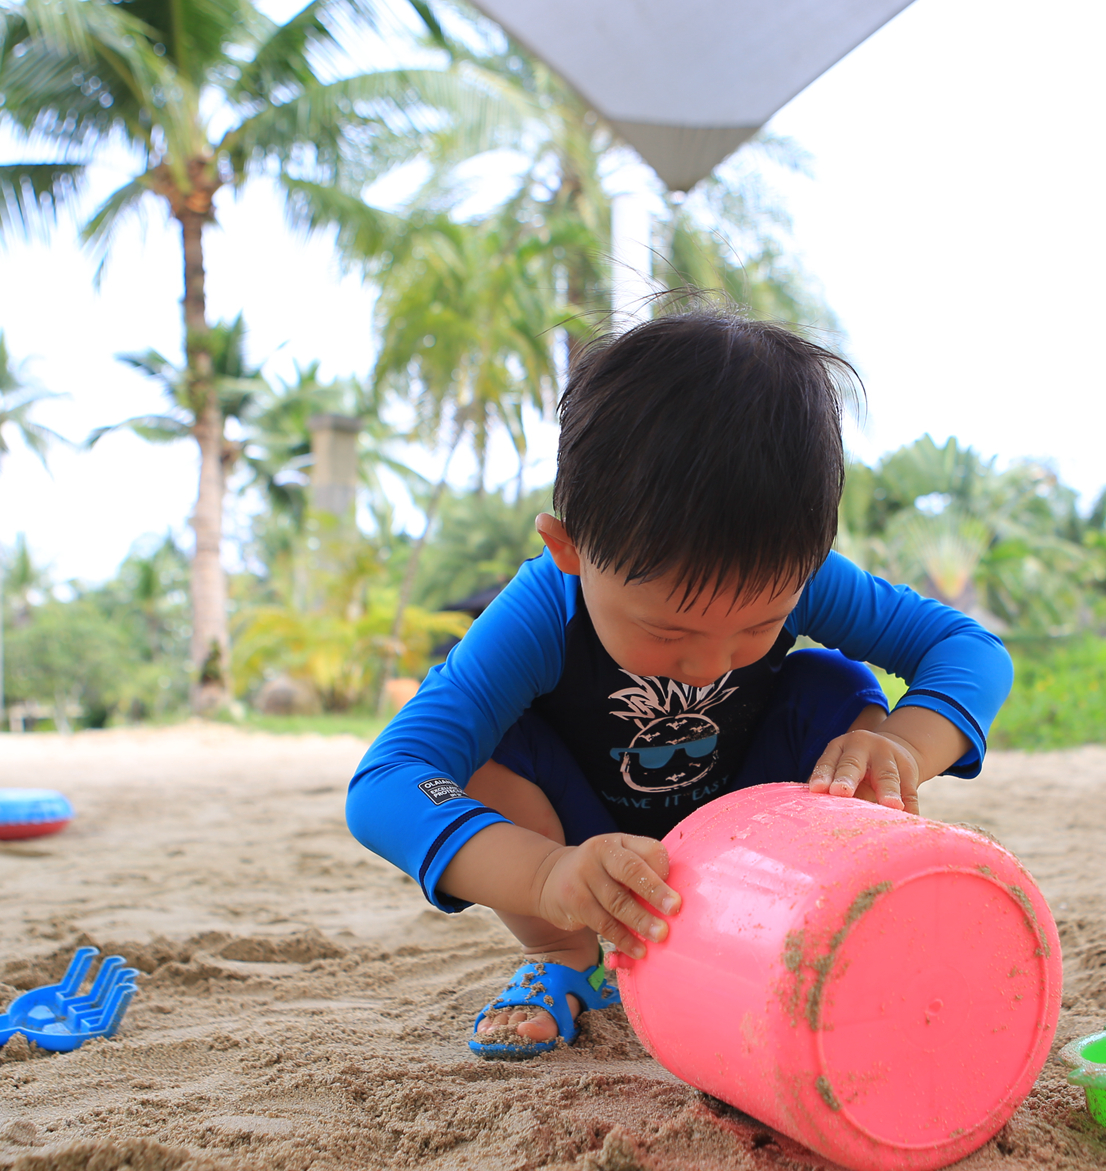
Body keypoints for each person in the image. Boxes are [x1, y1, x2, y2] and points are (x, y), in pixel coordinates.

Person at [345, 309, 1012, 1059]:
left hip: (759, 849)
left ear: (810, 558)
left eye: (758, 625)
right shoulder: (538, 615)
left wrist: (898, 746)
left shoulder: (795, 577)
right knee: (491, 746)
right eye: (668, 632)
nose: (711, 663)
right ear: (569, 548)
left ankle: (792, 946)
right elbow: (388, 781)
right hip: (590, 857)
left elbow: (971, 651)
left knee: (834, 689)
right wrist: (547, 875)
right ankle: (568, 961)